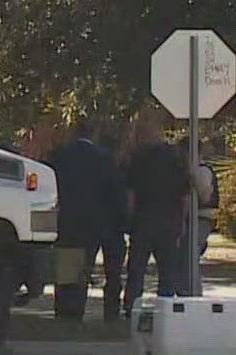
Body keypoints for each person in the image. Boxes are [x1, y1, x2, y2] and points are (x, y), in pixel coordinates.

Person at [48, 120, 126, 320]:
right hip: (95, 223)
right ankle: (79, 312)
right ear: (94, 134)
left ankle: (64, 313)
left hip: (66, 220)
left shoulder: (59, 156)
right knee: (85, 268)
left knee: (67, 271)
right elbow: (116, 193)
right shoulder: (104, 159)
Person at [121, 111, 191, 313]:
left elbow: (131, 194)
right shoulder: (177, 157)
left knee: (136, 269)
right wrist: (182, 221)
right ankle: (165, 309)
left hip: (144, 221)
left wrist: (129, 219)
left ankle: (131, 308)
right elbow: (184, 194)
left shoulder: (138, 158)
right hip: (169, 221)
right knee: (167, 270)